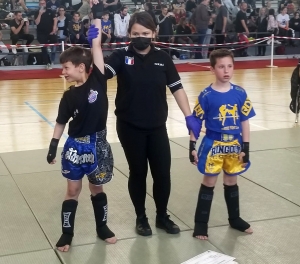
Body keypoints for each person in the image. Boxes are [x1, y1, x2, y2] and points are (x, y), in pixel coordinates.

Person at [88, 11, 194, 237]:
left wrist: (189, 116)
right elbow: (101, 74)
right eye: (135, 33)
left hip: (157, 126)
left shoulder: (163, 58)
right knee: (138, 173)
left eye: (145, 33)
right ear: (129, 34)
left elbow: (177, 88)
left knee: (163, 173)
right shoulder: (120, 56)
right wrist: (95, 46)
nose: (140, 37)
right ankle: (141, 217)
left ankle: (162, 215)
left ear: (154, 33)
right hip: (130, 126)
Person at [46, 18, 117, 252]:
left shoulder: (98, 78)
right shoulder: (68, 97)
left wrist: (95, 25)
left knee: (97, 188)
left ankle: (102, 227)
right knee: (73, 190)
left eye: (66, 67)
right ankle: (67, 233)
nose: (62, 72)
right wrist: (53, 146)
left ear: (80, 67)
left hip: (98, 145)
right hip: (76, 147)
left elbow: (96, 48)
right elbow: (60, 123)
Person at [188, 49, 255, 240]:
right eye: (221, 67)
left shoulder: (240, 93)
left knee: (231, 180)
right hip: (213, 144)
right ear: (212, 69)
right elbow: (196, 122)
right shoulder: (206, 95)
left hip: (235, 144)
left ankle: (235, 218)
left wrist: (246, 147)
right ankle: (201, 224)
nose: (226, 71)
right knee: (209, 181)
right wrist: (192, 145)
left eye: (230, 66)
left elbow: (245, 121)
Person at [34, 0, 58, 70]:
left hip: (50, 32)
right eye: (41, 3)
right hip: (41, 33)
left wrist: (54, 28)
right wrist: (40, 14)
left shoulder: (50, 11)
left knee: (54, 41)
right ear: (39, 4)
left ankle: (51, 56)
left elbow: (55, 19)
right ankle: (47, 63)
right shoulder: (36, 12)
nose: (42, 5)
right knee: (43, 48)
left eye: (43, 3)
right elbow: (36, 23)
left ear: (45, 4)